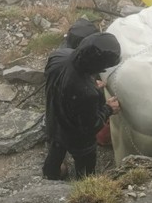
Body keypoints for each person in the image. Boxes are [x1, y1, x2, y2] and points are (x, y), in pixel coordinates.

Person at [43, 32, 122, 180]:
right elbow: (91, 125)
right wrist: (108, 109)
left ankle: (51, 174)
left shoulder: (59, 56)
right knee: (85, 164)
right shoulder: (87, 94)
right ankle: (84, 182)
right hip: (78, 139)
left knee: (55, 149)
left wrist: (89, 82)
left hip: (53, 119)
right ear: (98, 65)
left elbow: (60, 79)